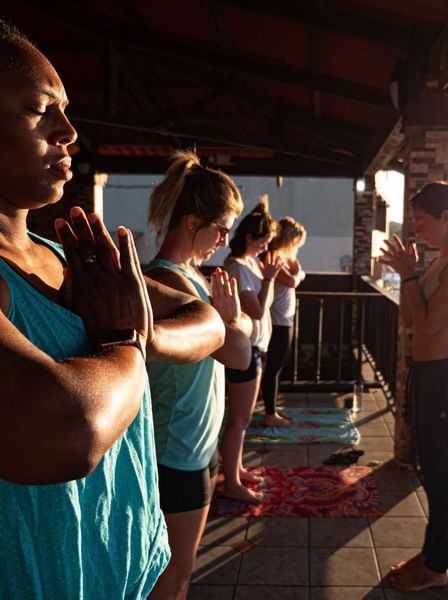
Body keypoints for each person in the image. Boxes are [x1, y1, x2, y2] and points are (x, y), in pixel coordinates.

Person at [0, 22, 226, 599]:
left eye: (67, 111)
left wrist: (139, 336)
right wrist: (123, 340)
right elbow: (70, 429)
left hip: (127, 564)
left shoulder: (63, 258)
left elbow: (208, 322)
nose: (69, 131)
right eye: (37, 109)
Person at [143, 151, 252, 600]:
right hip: (174, 453)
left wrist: (235, 321)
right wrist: (235, 321)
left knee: (178, 572)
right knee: (171, 578)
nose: (226, 241)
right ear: (192, 222)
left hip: (190, 448)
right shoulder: (170, 283)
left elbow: (237, 334)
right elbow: (240, 353)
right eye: (221, 228)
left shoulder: (192, 278)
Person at [378, 181, 448, 592]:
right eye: (414, 222)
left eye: (423, 222)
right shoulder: (440, 260)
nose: (416, 230)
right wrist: (409, 275)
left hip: (446, 379)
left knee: (443, 478)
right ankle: (431, 553)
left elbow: (427, 322)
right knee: (432, 472)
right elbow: (409, 318)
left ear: (447, 217)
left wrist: (407, 273)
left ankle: (437, 568)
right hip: (428, 375)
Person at [221, 199, 282, 503]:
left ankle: (237, 468)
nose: (265, 248)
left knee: (242, 418)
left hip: (255, 346)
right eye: (264, 241)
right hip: (245, 347)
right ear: (249, 237)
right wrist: (269, 280)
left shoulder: (247, 264)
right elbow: (257, 310)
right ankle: (231, 482)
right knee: (239, 419)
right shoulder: (236, 266)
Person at [261, 216, 306, 427]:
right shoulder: (275, 257)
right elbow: (292, 280)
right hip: (277, 320)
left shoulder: (285, 258)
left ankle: (271, 411)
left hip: (284, 319)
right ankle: (270, 414)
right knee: (273, 368)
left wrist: (298, 273)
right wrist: (299, 273)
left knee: (275, 368)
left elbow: (295, 277)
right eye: (295, 243)